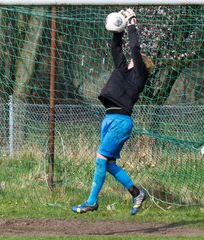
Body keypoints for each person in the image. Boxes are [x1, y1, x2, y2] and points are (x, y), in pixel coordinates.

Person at [72, 9, 154, 216]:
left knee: (100, 159)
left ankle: (92, 201)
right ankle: (137, 193)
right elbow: (116, 48)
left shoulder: (139, 75)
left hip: (121, 121)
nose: (131, 59)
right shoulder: (121, 69)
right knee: (107, 163)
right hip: (108, 119)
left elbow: (134, 47)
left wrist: (132, 23)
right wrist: (118, 28)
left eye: (135, 59)